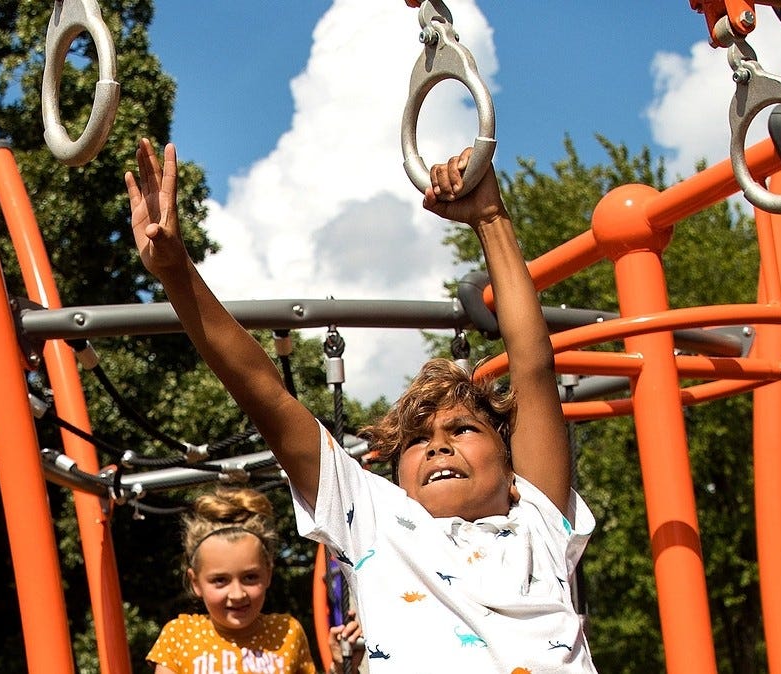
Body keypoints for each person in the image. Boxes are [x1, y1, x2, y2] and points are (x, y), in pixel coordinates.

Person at [129, 139, 595, 673]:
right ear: (396, 478)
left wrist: (491, 218)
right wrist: (175, 271)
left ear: (513, 469)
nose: (438, 444)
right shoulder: (377, 521)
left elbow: (533, 367)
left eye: (462, 429)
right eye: (418, 441)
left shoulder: (537, 517)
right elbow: (264, 393)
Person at [146, 487, 315, 674]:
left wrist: (340, 666)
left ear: (268, 573)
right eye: (220, 580)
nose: (237, 594)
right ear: (195, 582)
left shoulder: (287, 631)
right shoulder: (179, 636)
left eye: (250, 577)